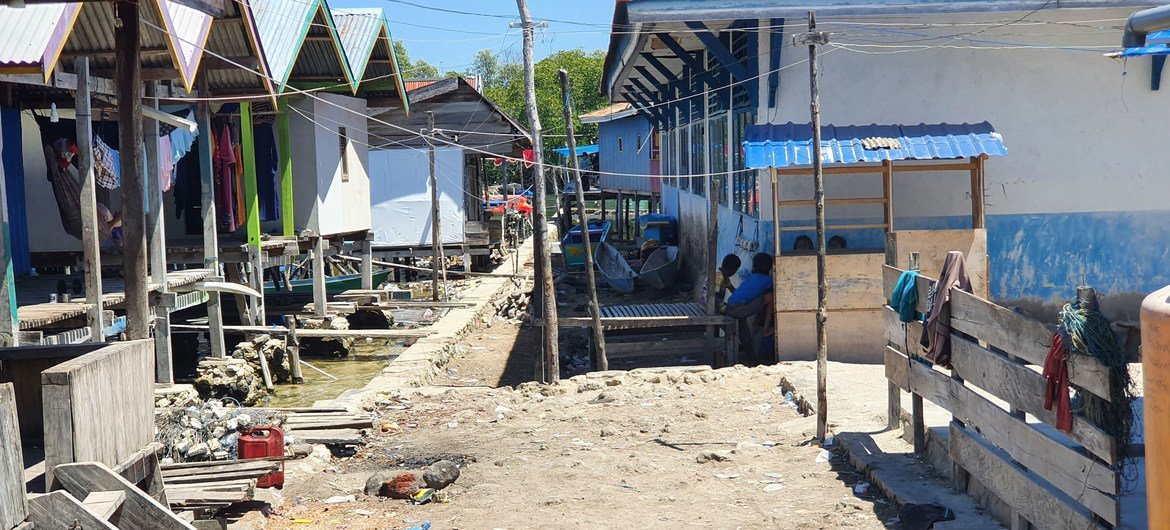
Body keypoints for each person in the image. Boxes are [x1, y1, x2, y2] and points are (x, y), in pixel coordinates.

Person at [724, 253, 775, 361]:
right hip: (739, 308)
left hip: (731, 306)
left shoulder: (752, 278)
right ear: (770, 267)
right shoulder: (768, 280)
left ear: (754, 266)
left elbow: (740, 295)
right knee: (771, 297)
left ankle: (752, 359)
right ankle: (766, 330)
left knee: (745, 335)